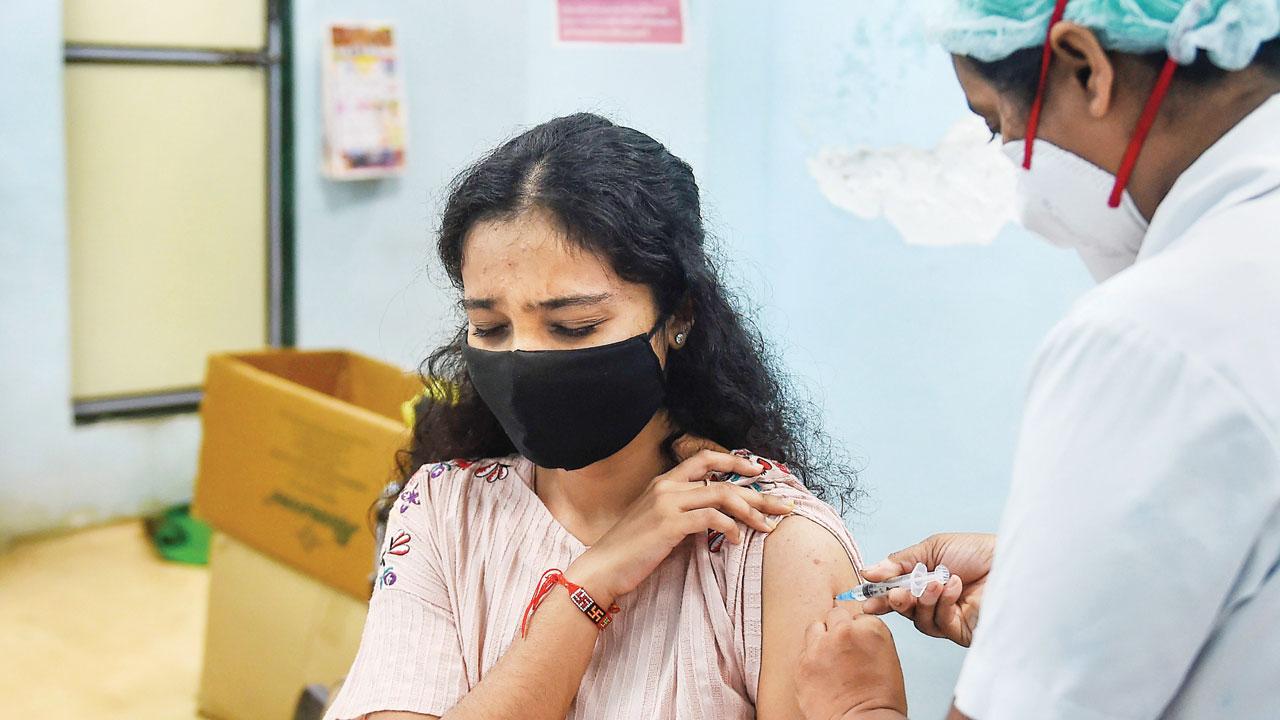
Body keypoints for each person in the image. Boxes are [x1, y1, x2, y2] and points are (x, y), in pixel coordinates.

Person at [793, 1, 1280, 719]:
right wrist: (1046, 584)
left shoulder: (1149, 340)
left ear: (1086, 68)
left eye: (996, 123)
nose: (1008, 158)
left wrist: (859, 708)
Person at [323, 113, 868, 720]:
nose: (525, 357)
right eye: (490, 327)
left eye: (573, 326)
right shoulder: (444, 511)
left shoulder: (769, 541)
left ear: (678, 317)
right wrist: (588, 586)